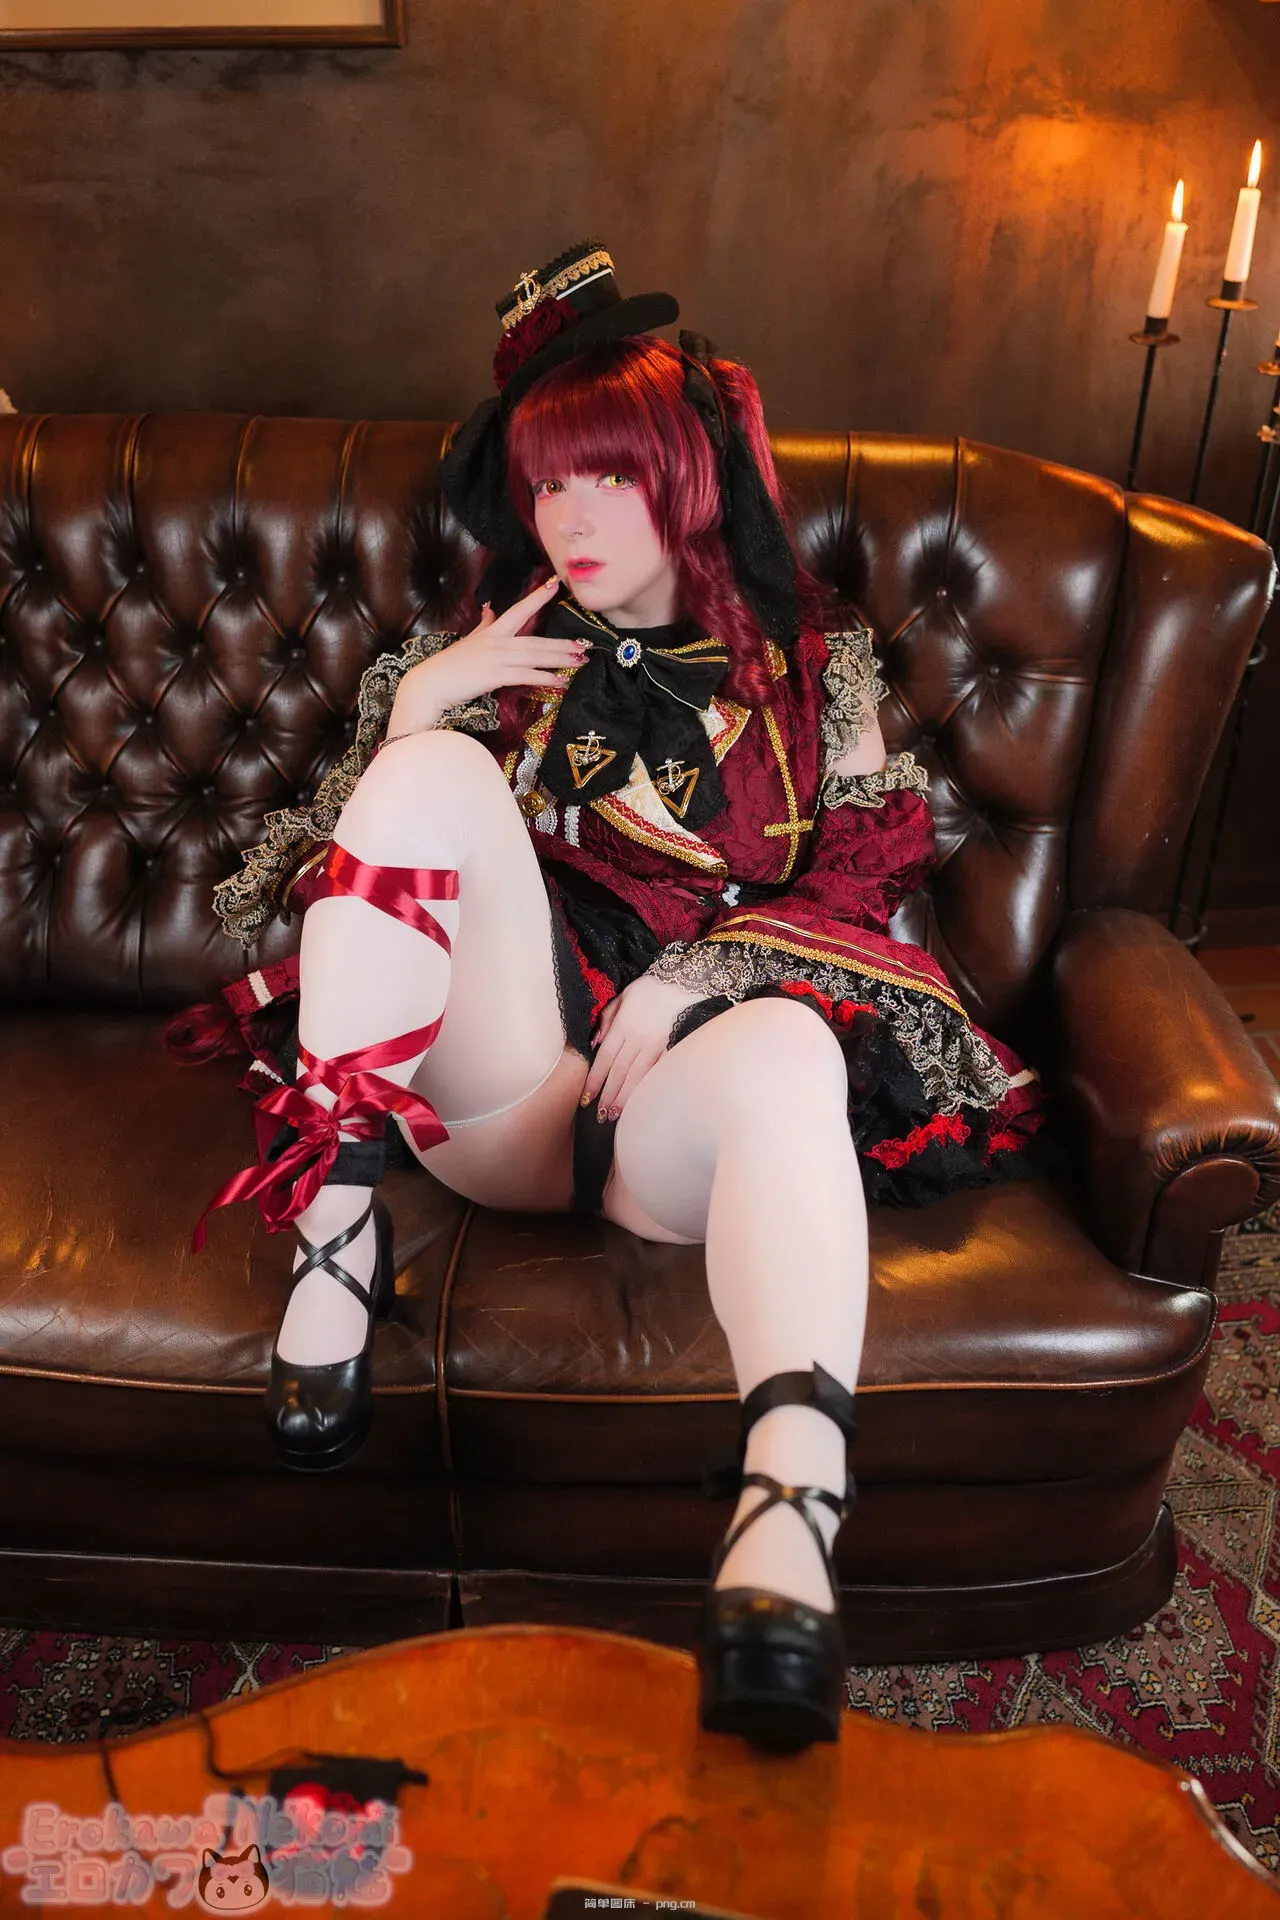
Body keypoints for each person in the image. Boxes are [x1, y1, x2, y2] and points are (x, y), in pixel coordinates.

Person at [177, 242, 1049, 1754]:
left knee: (787, 1049)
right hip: (500, 1087)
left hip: (672, 1120)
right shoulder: (491, 649)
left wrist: (701, 976)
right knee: (428, 771)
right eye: (543, 485)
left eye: (607, 477)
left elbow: (863, 876)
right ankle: (335, 1233)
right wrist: (417, 710)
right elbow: (338, 898)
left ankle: (787, 1519)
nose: (568, 519)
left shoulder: (817, 668)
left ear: (687, 476)